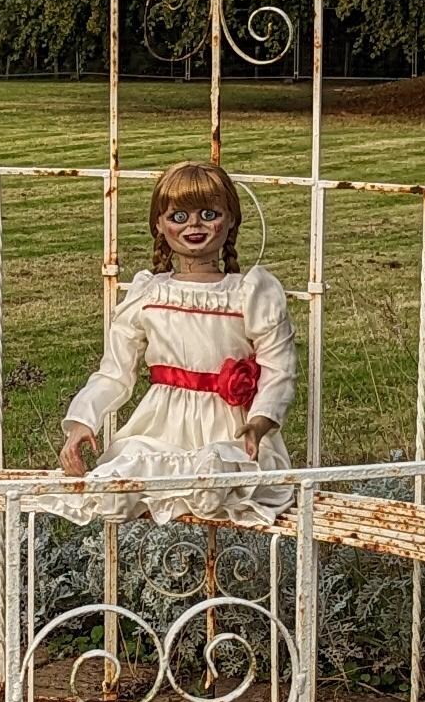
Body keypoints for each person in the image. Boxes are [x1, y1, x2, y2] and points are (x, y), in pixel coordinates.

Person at [57, 158, 297, 521]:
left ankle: (211, 483)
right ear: (159, 224)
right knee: (131, 468)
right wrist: (82, 421)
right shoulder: (149, 293)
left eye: (208, 214)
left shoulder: (249, 292)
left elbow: (278, 366)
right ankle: (137, 489)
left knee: (219, 468)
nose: (194, 225)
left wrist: (262, 418)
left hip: (228, 427)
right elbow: (115, 371)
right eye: (179, 217)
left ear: (231, 219)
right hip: (161, 424)